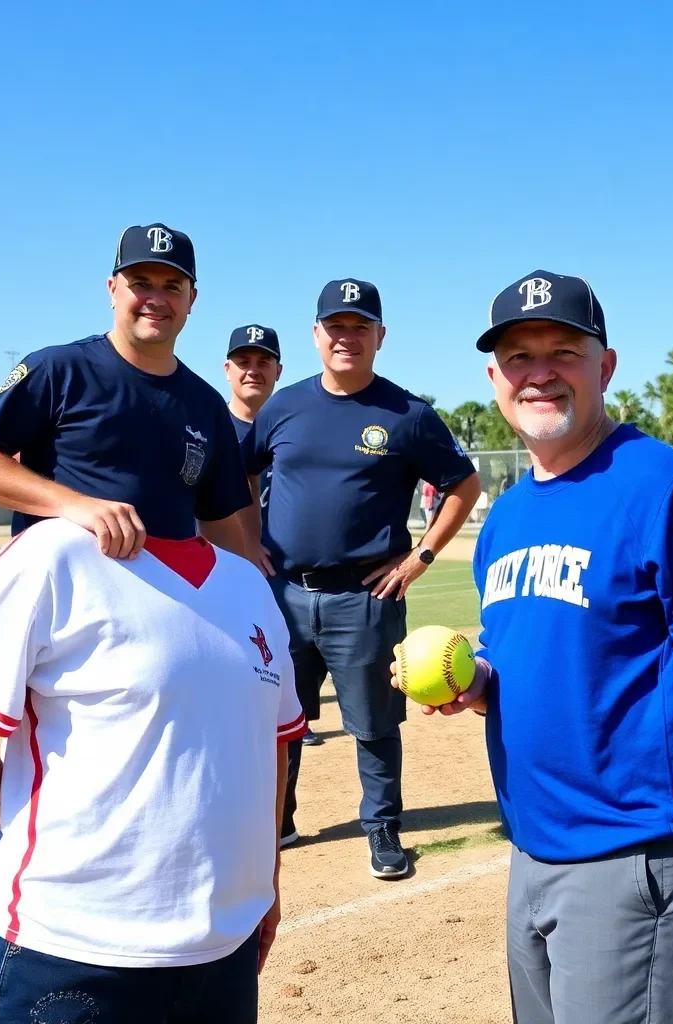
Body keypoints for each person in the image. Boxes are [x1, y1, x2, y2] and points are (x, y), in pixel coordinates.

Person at [398, 271, 673, 1022]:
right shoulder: (507, 516)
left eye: (563, 351)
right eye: (519, 356)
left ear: (606, 365)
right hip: (538, 847)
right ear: (494, 377)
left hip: (644, 850)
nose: (539, 373)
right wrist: (482, 680)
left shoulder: (663, 487)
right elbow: (524, 647)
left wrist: (661, 847)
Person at [0, 517, 305, 1023]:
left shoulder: (247, 583)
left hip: (225, 949)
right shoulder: (55, 552)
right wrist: (27, 824)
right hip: (71, 951)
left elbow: (273, 737)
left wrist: (265, 876)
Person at [242, 278, 480, 877]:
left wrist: (420, 556)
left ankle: (383, 830)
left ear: (380, 336)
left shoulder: (408, 414)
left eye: (359, 326)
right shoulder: (284, 406)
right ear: (317, 334)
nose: (346, 336)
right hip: (285, 593)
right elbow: (240, 475)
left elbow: (464, 485)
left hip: (366, 597)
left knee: (374, 724)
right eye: (335, 326)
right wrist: (247, 541)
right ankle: (279, 821)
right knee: (279, 719)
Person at [0, 223, 251, 560]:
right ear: (112, 290)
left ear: (191, 299)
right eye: (140, 284)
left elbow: (220, 521)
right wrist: (73, 504)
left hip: (168, 605)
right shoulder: (58, 369)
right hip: (69, 598)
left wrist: (248, 597)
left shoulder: (206, 403)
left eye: (172, 286)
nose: (156, 299)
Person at [225, 325, 321, 749]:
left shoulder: (298, 423)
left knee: (284, 652)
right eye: (243, 361)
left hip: (284, 568)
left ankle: (293, 716)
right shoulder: (209, 425)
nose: (253, 370)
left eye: (264, 361)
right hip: (222, 566)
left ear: (279, 370)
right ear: (228, 369)